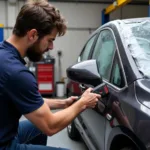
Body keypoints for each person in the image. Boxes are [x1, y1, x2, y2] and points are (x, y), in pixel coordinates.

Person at [0, 0, 100, 150]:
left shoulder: (4, 54)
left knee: (36, 128)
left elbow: (28, 99)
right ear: (33, 34)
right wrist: (83, 103)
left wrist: (63, 103)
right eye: (50, 40)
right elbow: (50, 126)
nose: (51, 47)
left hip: (5, 133)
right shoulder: (17, 73)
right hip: (4, 145)